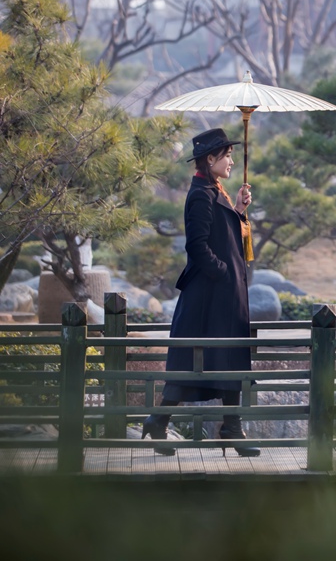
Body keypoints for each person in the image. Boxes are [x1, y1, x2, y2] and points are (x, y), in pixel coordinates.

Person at [141, 128, 260, 457]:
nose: (232, 161)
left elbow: (226, 236)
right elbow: (196, 246)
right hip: (210, 297)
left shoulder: (215, 190)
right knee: (197, 361)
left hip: (222, 296)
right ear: (210, 159)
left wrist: (239, 209)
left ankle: (225, 426)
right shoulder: (201, 195)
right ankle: (162, 421)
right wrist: (222, 273)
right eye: (227, 156)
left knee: (227, 358)